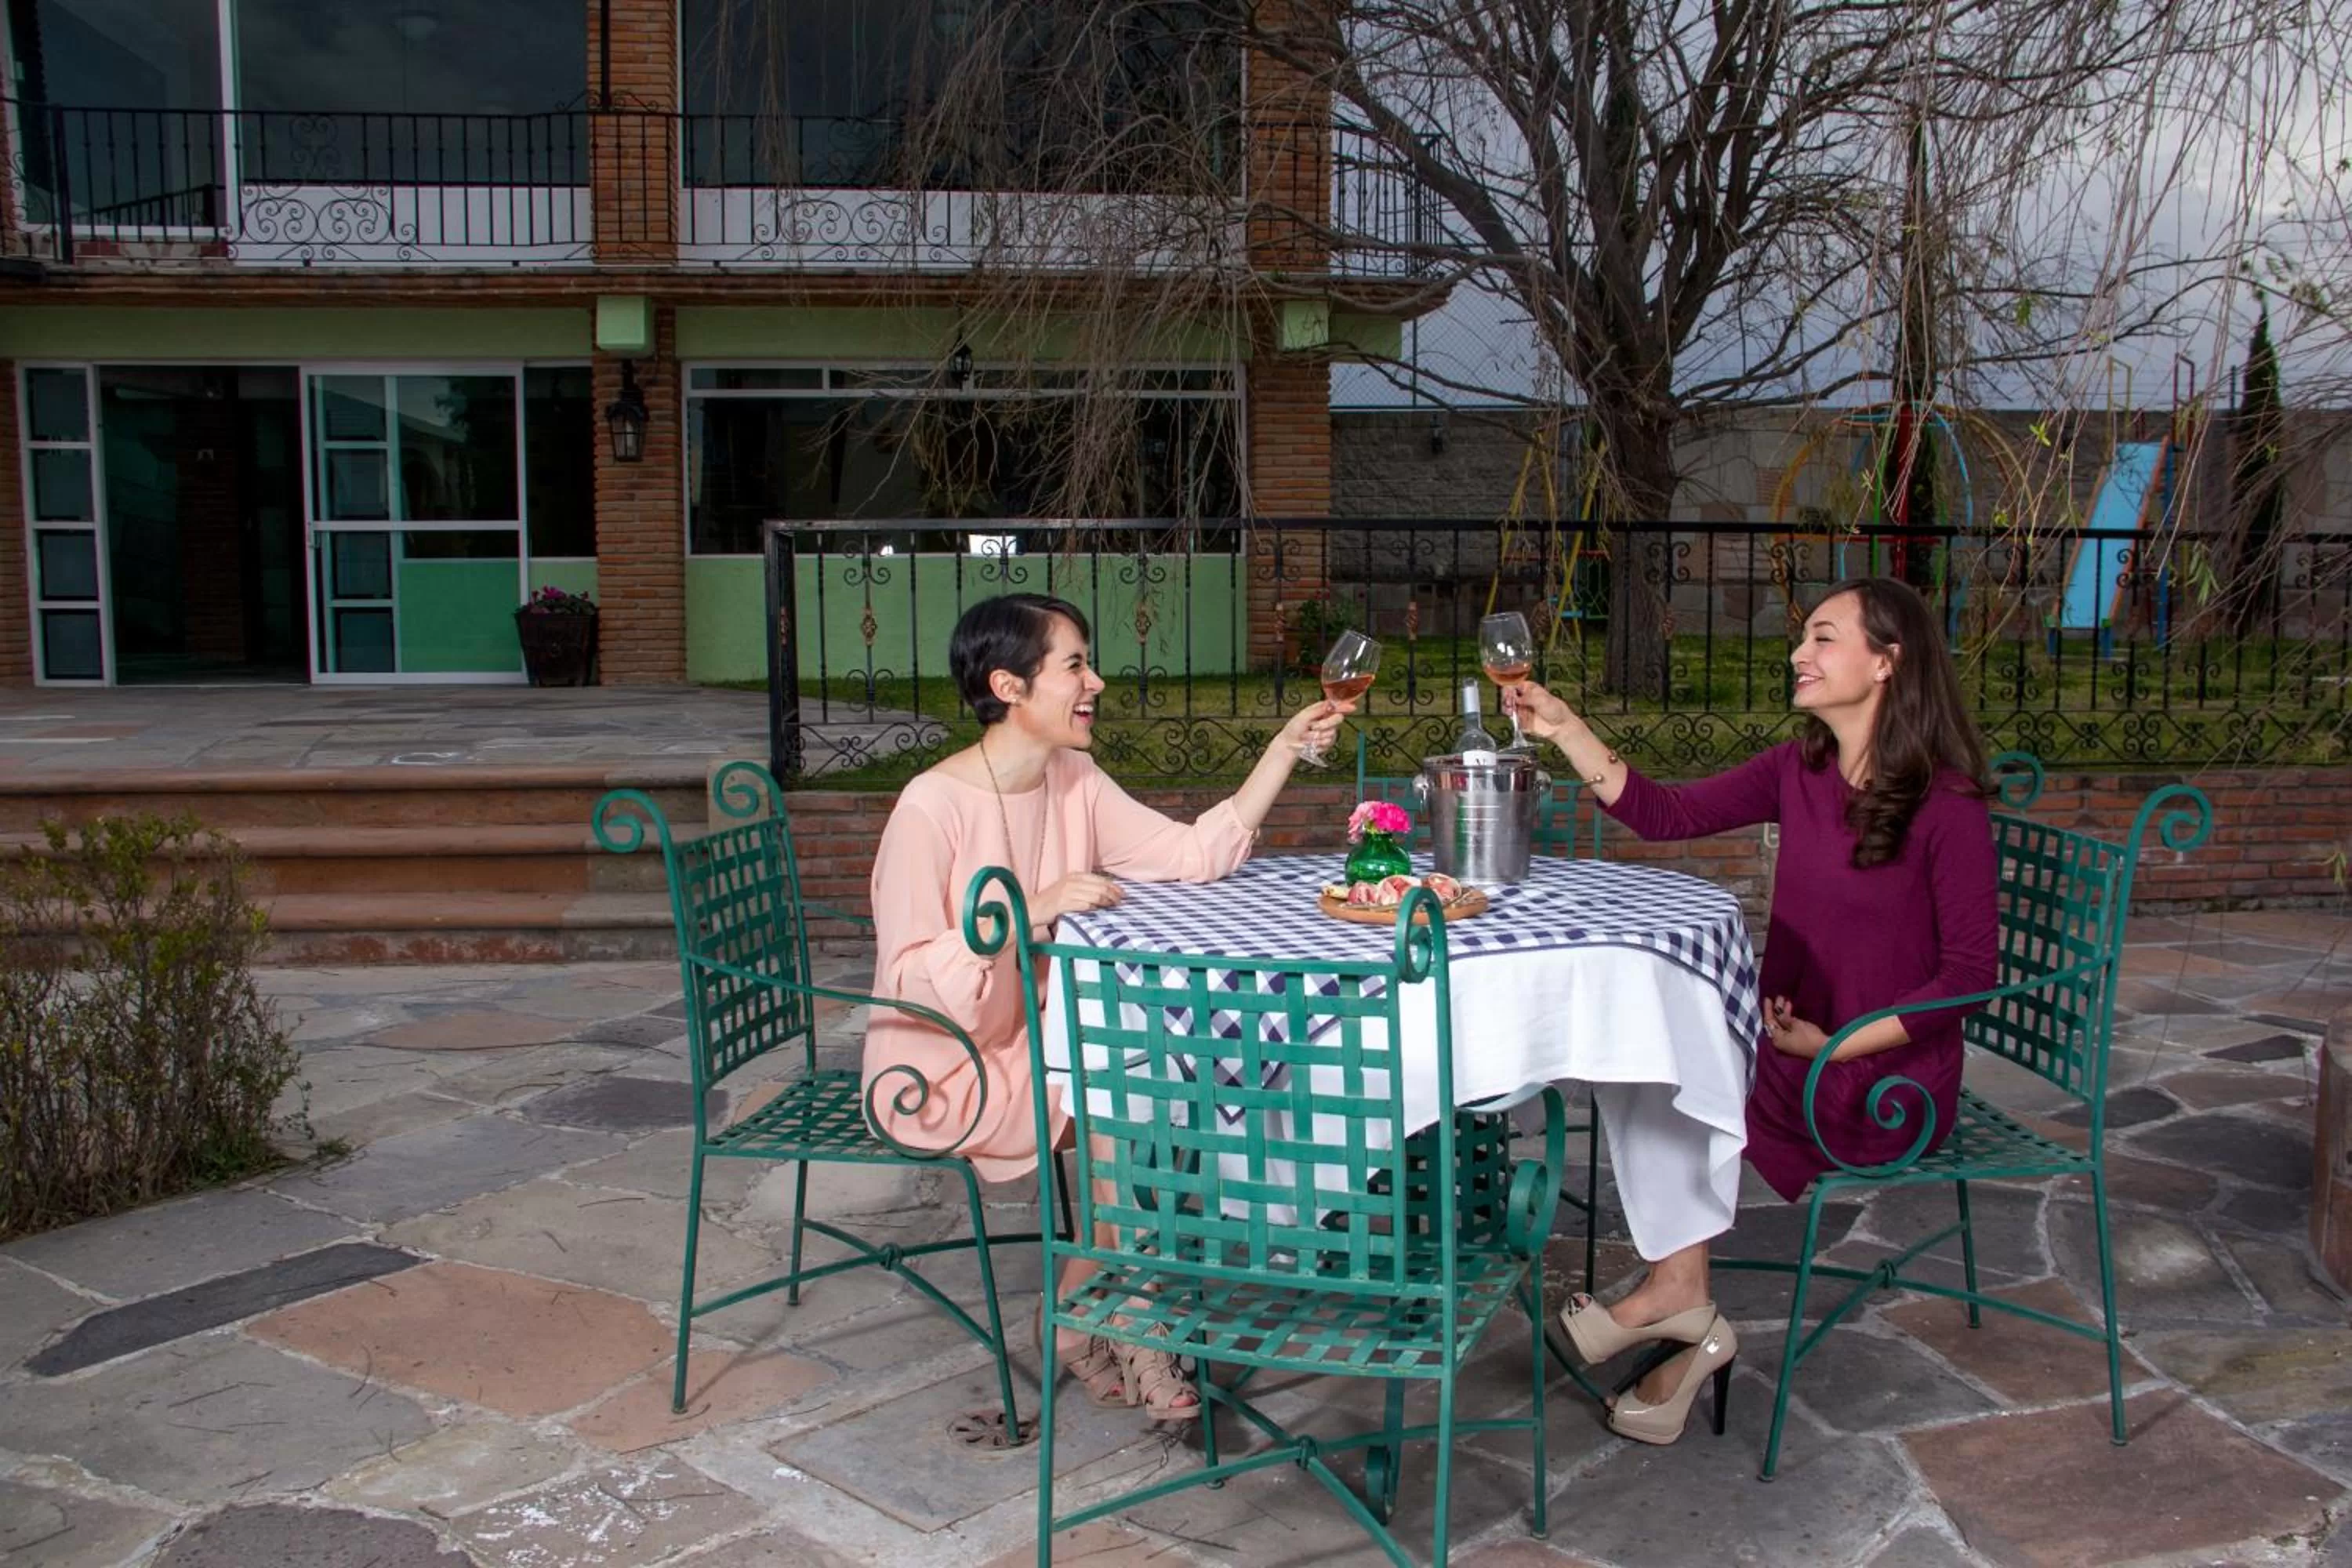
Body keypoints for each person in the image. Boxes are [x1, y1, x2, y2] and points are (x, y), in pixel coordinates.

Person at [1502, 575, 1998, 1445]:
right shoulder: (1799, 768)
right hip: (1793, 1052)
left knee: (1673, 1068)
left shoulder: (1946, 808)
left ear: (1888, 662)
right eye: (1803, 637)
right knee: (1646, 1064)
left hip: (1879, 1084)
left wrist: (1837, 1046)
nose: (1799, 653)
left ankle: (1679, 1301)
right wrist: (1564, 727)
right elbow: (1670, 813)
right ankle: (1682, 1300)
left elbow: (1968, 977)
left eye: (1824, 637)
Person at [866, 591, 1346, 1424]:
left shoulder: (1073, 776)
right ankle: (1131, 1314)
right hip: (949, 1058)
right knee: (1139, 1082)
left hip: (1050, 1035)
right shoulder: (930, 806)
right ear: (1010, 686)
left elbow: (1191, 854)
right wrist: (1032, 906)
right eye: (1076, 664)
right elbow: (909, 976)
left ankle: (1093, 1313)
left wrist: (1280, 751)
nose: (1099, 681)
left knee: (1150, 1071)